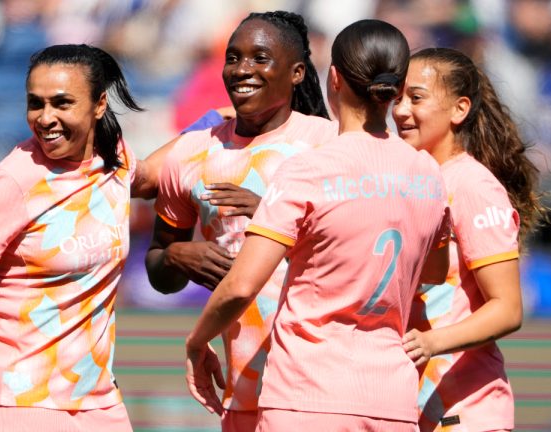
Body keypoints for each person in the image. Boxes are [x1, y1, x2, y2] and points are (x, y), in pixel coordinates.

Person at [185, 19, 450, 432]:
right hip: (391, 400)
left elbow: (241, 285)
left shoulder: (308, 170)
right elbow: (432, 274)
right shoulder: (429, 173)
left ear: (334, 78)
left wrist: (197, 341)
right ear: (397, 90)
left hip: (306, 397)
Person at [0, 44, 175, 432]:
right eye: (35, 104)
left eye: (62, 103)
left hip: (98, 404)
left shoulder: (114, 161)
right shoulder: (12, 181)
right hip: (17, 402)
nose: (45, 118)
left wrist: (219, 126)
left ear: (99, 104)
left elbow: (156, 174)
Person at [145, 10, 335, 432]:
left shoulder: (328, 145)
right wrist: (176, 257)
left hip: (321, 389)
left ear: (297, 72)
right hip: (242, 393)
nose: (242, 69)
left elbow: (355, 251)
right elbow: (160, 271)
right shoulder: (191, 153)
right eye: (234, 58)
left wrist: (271, 213)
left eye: (260, 58)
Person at [392, 47, 548, 431]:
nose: (400, 111)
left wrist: (431, 343)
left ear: (459, 109)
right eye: (397, 98)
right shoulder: (409, 180)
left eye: (416, 98)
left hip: (466, 414)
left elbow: (507, 309)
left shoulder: (473, 186)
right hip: (409, 408)